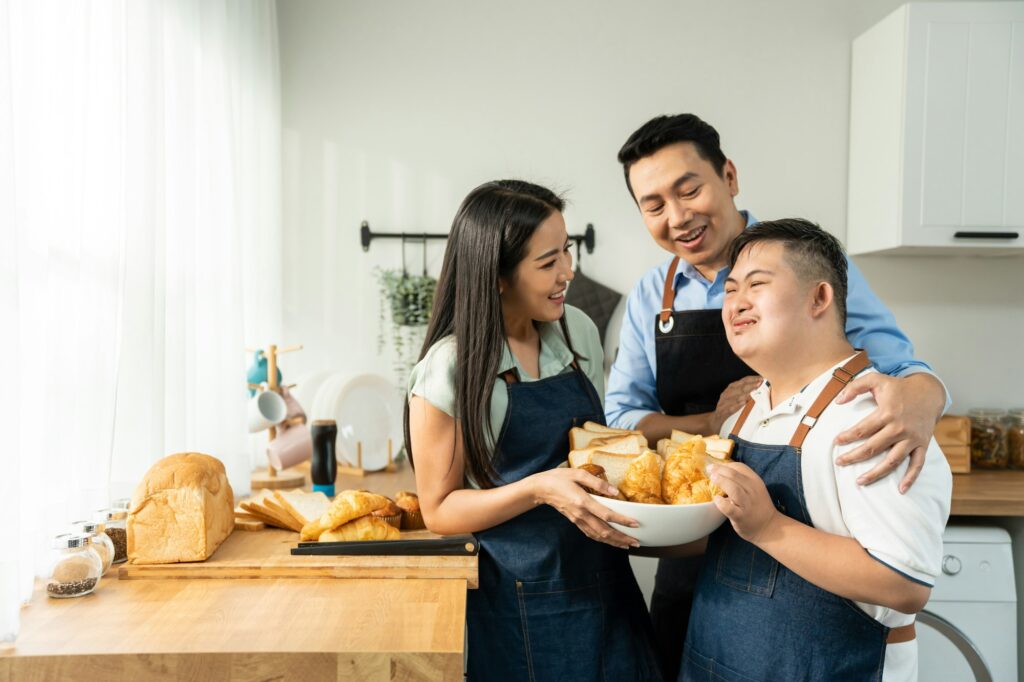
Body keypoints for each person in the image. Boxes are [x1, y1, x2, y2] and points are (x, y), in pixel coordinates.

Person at [606, 114, 950, 679]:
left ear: (729, 176)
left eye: (689, 189)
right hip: (709, 560)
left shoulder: (806, 262)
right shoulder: (657, 299)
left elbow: (902, 367)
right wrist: (714, 424)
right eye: (654, 204)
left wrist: (926, 395)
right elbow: (619, 417)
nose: (678, 216)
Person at [405, 179, 662, 681]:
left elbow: (598, 453)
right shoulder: (450, 368)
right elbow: (438, 509)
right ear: (498, 276)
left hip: (606, 584)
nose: (568, 272)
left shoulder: (578, 330)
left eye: (566, 251)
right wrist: (542, 488)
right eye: (548, 263)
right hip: (517, 598)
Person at [682, 218, 951, 680]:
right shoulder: (740, 415)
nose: (736, 303)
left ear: (820, 298)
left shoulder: (874, 418)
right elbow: (726, 538)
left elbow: (904, 584)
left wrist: (768, 526)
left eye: (757, 284)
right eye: (729, 291)